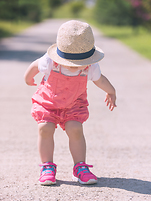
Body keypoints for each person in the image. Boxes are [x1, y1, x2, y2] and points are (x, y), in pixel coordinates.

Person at [24, 20, 116, 186]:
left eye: (78, 63)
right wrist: (28, 77)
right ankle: (47, 167)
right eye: (71, 63)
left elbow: (100, 80)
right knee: (45, 128)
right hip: (48, 102)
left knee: (75, 129)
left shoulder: (90, 66)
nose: (75, 67)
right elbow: (35, 65)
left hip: (74, 105)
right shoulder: (50, 61)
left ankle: (80, 167)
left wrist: (111, 91)